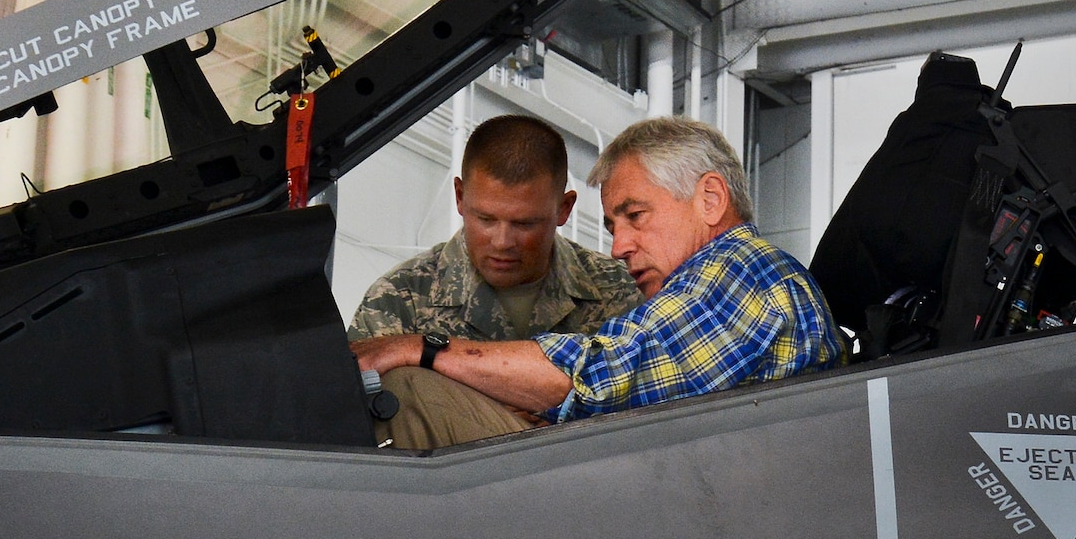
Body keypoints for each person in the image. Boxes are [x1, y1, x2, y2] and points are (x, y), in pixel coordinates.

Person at [352, 116, 843, 448]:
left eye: (635, 215)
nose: (619, 247)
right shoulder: (400, 293)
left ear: (710, 199)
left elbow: (601, 376)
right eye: (613, 226)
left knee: (409, 389)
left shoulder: (744, 273)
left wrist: (427, 349)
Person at [349, 114, 640, 347]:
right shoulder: (401, 300)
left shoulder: (618, 292)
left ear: (564, 209)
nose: (502, 242)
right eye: (486, 219)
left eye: (524, 224)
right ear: (460, 197)